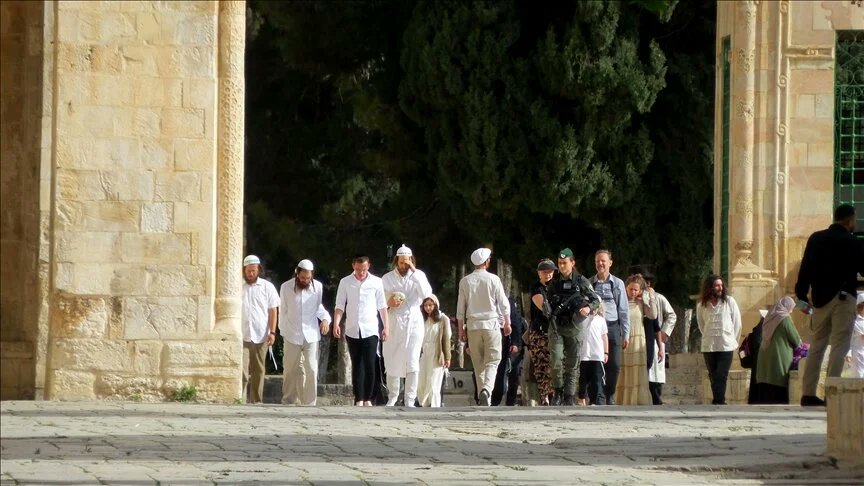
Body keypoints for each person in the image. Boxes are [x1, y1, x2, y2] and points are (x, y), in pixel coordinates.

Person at [794, 204, 864, 406]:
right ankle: (831, 392)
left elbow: (805, 268)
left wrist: (801, 294)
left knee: (817, 345)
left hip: (820, 300)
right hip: (843, 299)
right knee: (840, 346)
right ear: (849, 220)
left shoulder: (816, 238)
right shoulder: (852, 241)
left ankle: (808, 393)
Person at [544, 248, 601, 406]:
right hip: (557, 326)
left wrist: (588, 308)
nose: (562, 266)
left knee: (572, 363)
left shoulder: (581, 281)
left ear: (572, 263)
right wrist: (546, 309)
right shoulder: (555, 283)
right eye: (560, 263)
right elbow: (547, 302)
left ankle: (569, 395)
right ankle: (558, 390)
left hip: (575, 326)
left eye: (565, 263)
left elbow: (595, 299)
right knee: (555, 361)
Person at [457, 247, 512, 406]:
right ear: (486, 262)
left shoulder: (465, 281)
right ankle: (487, 389)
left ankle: (484, 397)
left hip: (473, 326)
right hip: (491, 324)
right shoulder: (494, 279)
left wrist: (461, 331)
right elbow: (503, 303)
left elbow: (461, 309)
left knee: (478, 363)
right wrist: (507, 322)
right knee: (493, 360)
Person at [332, 255, 390, 406]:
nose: (361, 272)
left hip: (370, 328)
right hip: (352, 328)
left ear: (368, 266)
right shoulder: (345, 282)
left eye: (363, 269)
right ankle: (359, 397)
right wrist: (336, 324)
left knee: (370, 363)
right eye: (358, 269)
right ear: (353, 266)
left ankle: (369, 398)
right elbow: (340, 305)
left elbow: (382, 306)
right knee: (356, 364)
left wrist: (386, 327)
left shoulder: (376, 282)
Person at [382, 245, 433, 407]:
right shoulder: (387, 278)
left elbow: (426, 294)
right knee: (392, 358)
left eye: (406, 263)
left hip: (413, 321)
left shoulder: (418, 275)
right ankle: (393, 396)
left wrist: (414, 271)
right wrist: (388, 302)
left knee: (412, 360)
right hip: (394, 320)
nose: (403, 266)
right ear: (396, 261)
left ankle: (410, 399)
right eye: (401, 263)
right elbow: (379, 300)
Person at [279, 259, 331, 406]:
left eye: (308, 278)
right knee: (290, 369)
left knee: (312, 369)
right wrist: (283, 331)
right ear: (297, 274)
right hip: (291, 333)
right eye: (302, 278)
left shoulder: (318, 287)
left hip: (311, 333)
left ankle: (309, 403)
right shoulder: (285, 287)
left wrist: (326, 320)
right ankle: (288, 400)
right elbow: (283, 310)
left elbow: (318, 307)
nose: (305, 281)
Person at [589, 250, 630, 406]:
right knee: (595, 363)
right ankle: (597, 396)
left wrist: (626, 334)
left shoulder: (618, 283)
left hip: (612, 326)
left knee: (614, 364)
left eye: (603, 261)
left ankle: (609, 393)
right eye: (598, 261)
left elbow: (624, 310)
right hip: (595, 328)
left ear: (610, 263)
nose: (600, 264)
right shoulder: (589, 283)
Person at [696, 274, 742, 405]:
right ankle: (717, 399)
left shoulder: (729, 302)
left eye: (721, 285)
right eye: (717, 285)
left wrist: (733, 341)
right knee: (713, 374)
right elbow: (701, 325)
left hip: (726, 345)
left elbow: (737, 323)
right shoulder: (701, 306)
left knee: (722, 374)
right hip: (709, 345)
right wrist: (709, 335)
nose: (720, 288)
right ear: (710, 287)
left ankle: (719, 400)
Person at [241, 254, 280, 403]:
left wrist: (272, 332)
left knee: (258, 369)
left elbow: (273, 310)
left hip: (260, 334)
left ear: (258, 270)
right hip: (243, 334)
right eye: (248, 271)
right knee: (243, 370)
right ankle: (241, 399)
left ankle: (256, 401)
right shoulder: (239, 287)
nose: (251, 274)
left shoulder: (267, 287)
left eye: (253, 271)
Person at [615, 274, 656, 406]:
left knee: (638, 371)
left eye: (636, 290)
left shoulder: (641, 302)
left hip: (638, 340)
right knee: (624, 369)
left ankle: (637, 399)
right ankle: (623, 399)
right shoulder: (620, 302)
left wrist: (650, 297)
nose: (633, 292)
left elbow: (653, 315)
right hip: (625, 339)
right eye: (630, 289)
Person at [754, 296, 801, 404]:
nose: (791, 311)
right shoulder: (785, 318)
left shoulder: (769, 317)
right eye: (791, 308)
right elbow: (795, 339)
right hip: (778, 357)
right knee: (777, 394)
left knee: (766, 392)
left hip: (764, 356)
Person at [642, 272, 675, 405]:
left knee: (656, 370)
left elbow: (672, 315)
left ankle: (656, 397)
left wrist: (664, 332)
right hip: (640, 338)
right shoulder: (635, 298)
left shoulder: (659, 298)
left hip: (655, 339)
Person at [528, 259, 556, 405]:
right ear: (539, 273)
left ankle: (554, 394)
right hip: (539, 333)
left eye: (550, 271)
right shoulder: (536, 288)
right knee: (541, 366)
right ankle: (544, 396)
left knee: (556, 363)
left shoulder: (558, 287)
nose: (548, 274)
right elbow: (544, 308)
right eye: (544, 272)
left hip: (555, 332)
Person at [417, 294, 451, 407]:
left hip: (437, 352)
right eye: (425, 305)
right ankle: (423, 403)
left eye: (430, 305)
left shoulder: (443, 319)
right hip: (424, 353)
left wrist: (447, 357)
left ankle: (435, 404)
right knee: (422, 379)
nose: (428, 308)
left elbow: (446, 339)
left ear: (435, 305)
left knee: (434, 380)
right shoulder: (422, 319)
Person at [492, 296, 526, 406]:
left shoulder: (508, 302)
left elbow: (516, 323)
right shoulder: (483, 299)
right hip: (490, 336)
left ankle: (508, 400)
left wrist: (515, 343)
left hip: (507, 343)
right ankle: (488, 397)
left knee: (510, 373)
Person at [577, 307, 609, 406]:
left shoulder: (601, 319)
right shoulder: (581, 319)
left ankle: (593, 400)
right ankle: (581, 397)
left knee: (596, 379)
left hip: (597, 355)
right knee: (582, 379)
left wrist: (606, 352)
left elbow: (604, 336)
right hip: (584, 354)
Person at [847, 292, 864, 378]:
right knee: (859, 377)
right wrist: (848, 353)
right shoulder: (854, 322)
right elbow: (849, 338)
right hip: (857, 353)